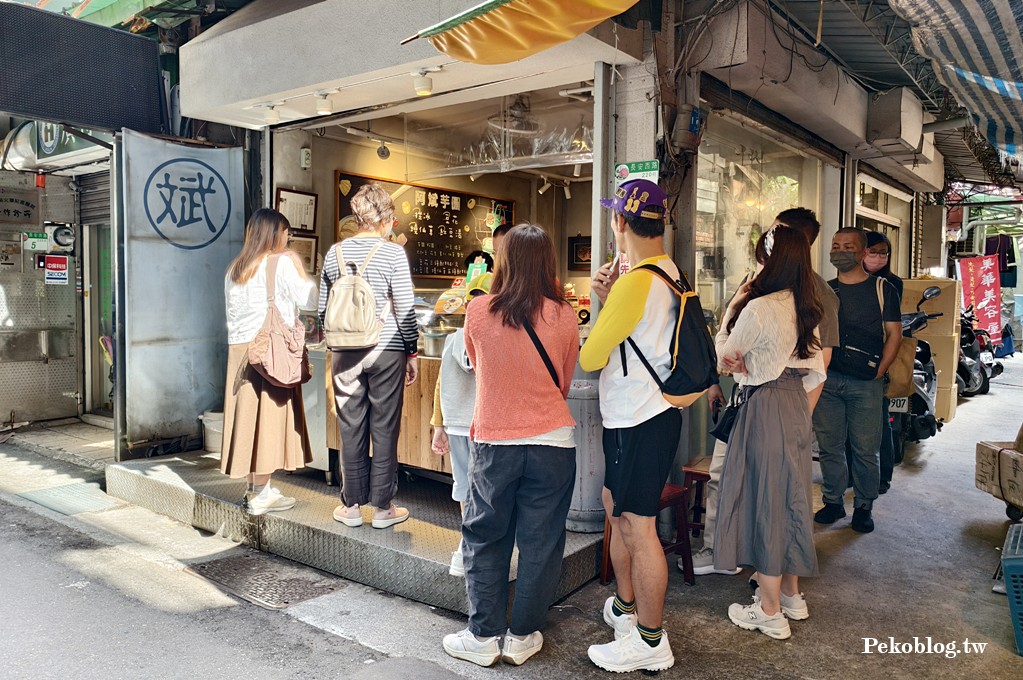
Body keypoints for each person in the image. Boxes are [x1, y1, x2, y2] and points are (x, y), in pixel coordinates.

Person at [442, 223, 579, 668]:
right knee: (541, 542)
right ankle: (522, 636)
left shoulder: (479, 312)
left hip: (496, 440)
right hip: (553, 442)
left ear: (503, 260)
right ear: (549, 263)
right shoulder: (566, 315)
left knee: (485, 536)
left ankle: (482, 637)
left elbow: (479, 368)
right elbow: (563, 381)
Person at [689, 207, 839, 577]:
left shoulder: (814, 294)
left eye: (774, 235)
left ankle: (764, 572)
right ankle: (734, 555)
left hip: (770, 403)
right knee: (740, 481)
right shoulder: (766, 285)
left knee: (767, 490)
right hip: (756, 398)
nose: (767, 242)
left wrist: (798, 420)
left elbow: (820, 364)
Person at [580, 179, 682, 674]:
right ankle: (625, 609)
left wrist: (604, 298)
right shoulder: (668, 272)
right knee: (616, 510)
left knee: (638, 527)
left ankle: (650, 638)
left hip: (640, 418)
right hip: (646, 416)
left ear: (621, 223)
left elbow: (592, 353)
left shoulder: (638, 279)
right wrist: (609, 295)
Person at [713, 227, 825, 640]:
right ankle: (792, 595)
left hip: (765, 404)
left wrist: (733, 312)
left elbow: (725, 356)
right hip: (795, 402)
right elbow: (816, 372)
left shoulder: (760, 306)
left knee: (765, 501)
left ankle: (770, 609)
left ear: (769, 259)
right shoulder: (806, 306)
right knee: (791, 496)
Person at [319, 183, 419, 529]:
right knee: (384, 426)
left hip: (345, 352)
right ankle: (383, 509)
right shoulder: (393, 254)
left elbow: (323, 310)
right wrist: (412, 351)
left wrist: (339, 342)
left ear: (358, 217)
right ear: (386, 219)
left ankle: (350, 507)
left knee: (350, 425)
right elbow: (406, 310)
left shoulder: (335, 254)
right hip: (387, 349)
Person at [221, 208, 317, 515]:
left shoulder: (236, 268)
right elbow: (310, 300)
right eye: (286, 232)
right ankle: (261, 494)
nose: (289, 237)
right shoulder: (279, 264)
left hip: (241, 351)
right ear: (275, 234)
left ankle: (256, 489)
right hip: (270, 350)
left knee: (251, 422)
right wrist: (298, 266)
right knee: (269, 422)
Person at [431, 223, 510, 577]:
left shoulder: (451, 340)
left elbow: (439, 386)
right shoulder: (484, 339)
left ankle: (468, 549)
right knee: (485, 491)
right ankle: (478, 550)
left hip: (460, 424)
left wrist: (438, 425)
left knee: (466, 489)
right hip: (481, 426)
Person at [813, 227, 902, 533]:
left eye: (848, 246)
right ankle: (833, 502)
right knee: (830, 446)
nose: (840, 251)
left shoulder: (882, 289)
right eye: (835, 245)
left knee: (866, 448)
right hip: (829, 381)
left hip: (866, 382)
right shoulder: (825, 289)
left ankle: (864, 506)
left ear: (864, 253)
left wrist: (879, 371)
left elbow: (894, 334)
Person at [861, 230, 903, 494]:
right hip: (848, 363)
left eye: (882, 253)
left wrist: (882, 368)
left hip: (876, 363)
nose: (878, 257)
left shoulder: (891, 284)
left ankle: (882, 475)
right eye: (872, 251)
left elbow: (891, 330)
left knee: (879, 423)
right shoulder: (841, 282)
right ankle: (857, 475)